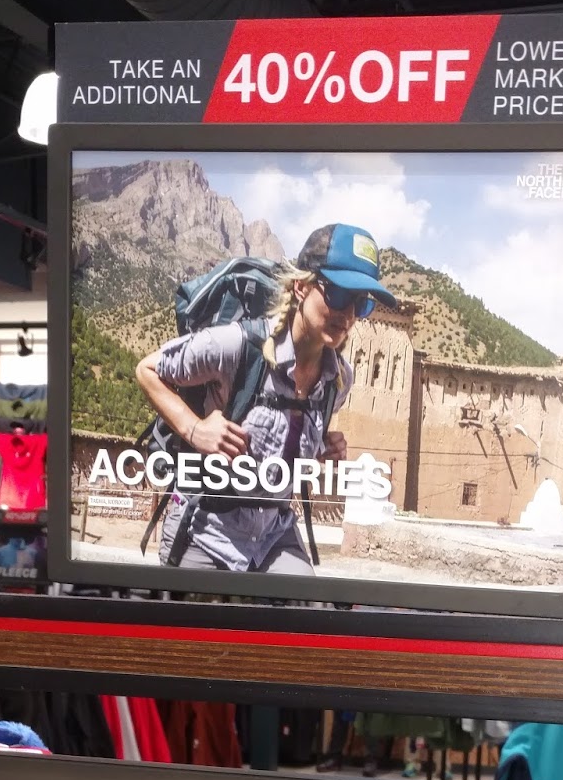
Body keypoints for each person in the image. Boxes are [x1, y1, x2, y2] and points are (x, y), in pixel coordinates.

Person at [134, 223, 398, 575]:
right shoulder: (237, 346)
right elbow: (147, 370)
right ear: (301, 287)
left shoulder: (338, 380)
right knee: (193, 611)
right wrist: (195, 430)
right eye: (337, 294)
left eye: (361, 303)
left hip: (273, 534)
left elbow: (283, 444)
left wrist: (319, 449)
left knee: (311, 607)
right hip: (207, 530)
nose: (348, 314)